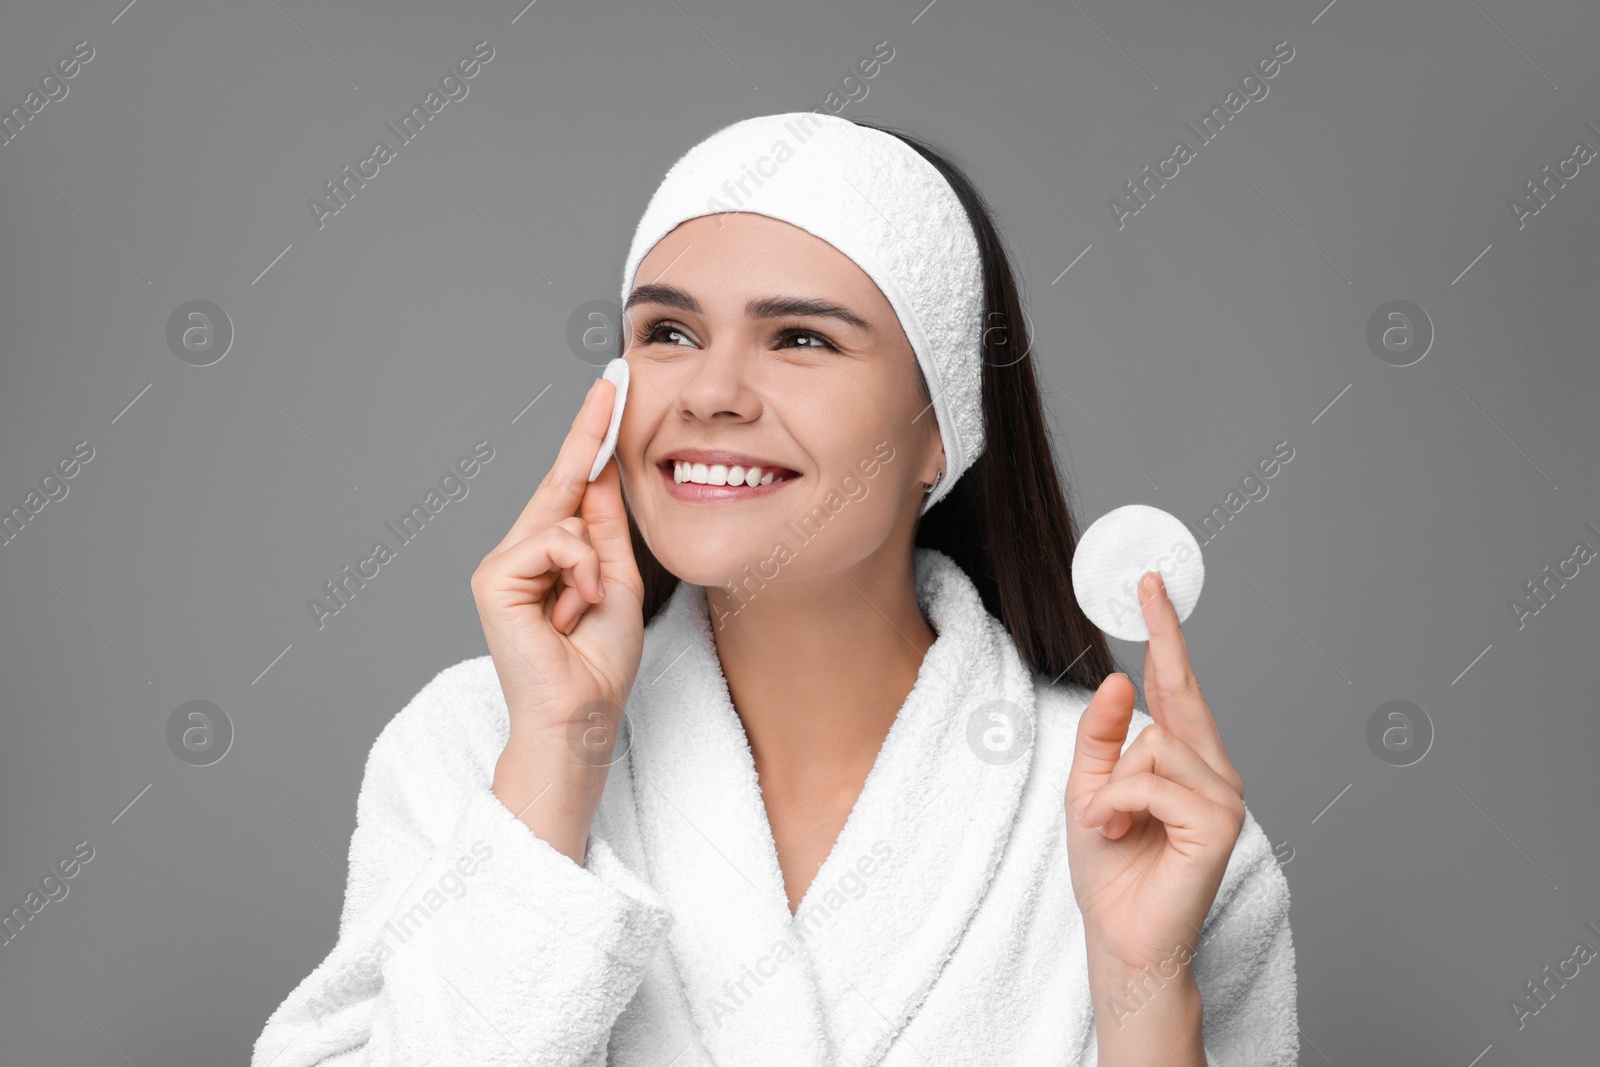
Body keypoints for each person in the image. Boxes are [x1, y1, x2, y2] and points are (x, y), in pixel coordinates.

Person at [252, 112, 1296, 1067]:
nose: (708, 393)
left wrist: (1139, 992)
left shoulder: (1141, 818)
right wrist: (552, 767)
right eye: (667, 332)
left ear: (941, 427)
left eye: (800, 338)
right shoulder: (472, 745)